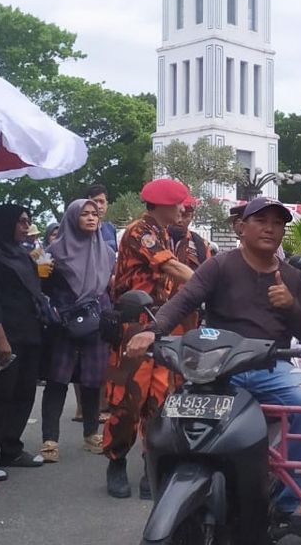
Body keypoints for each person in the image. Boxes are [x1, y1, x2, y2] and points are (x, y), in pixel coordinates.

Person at [124, 196, 301, 536]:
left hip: (269, 367)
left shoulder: (293, 278)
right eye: (261, 221)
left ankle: (289, 502)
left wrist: (290, 306)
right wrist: (151, 332)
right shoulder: (220, 265)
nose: (270, 229)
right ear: (241, 228)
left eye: (277, 223)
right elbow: (184, 300)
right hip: (216, 367)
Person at [102, 179, 195, 499]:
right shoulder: (141, 230)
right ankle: (115, 461)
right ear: (164, 204)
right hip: (134, 327)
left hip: (162, 327)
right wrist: (210, 284)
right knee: (128, 402)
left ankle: (150, 465)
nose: (184, 209)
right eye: (180, 202)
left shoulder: (168, 233)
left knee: (160, 401)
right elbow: (171, 267)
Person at [0, 205, 46, 481]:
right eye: (21, 222)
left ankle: (12, 448)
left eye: (28, 221)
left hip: (29, 331)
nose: (26, 226)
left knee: (24, 392)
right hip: (3, 334)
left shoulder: (21, 252)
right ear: (5, 223)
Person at [40, 199, 114, 464]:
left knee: (92, 379)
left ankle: (92, 434)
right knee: (57, 380)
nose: (92, 218)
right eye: (85, 214)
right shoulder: (53, 252)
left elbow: (108, 287)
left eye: (95, 214)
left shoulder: (106, 252)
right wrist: (57, 311)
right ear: (72, 218)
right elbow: (44, 289)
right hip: (65, 322)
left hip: (96, 320)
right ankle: (50, 440)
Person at [86, 184, 118, 253]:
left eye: (102, 202)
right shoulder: (80, 230)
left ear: (107, 204)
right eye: (95, 201)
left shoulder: (110, 228)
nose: (98, 206)